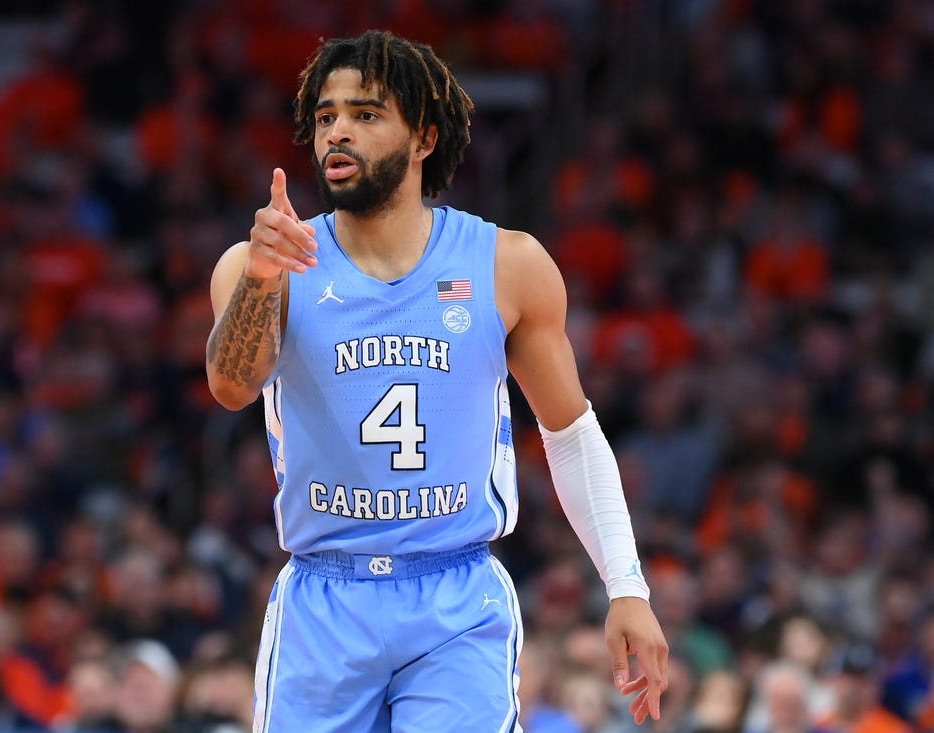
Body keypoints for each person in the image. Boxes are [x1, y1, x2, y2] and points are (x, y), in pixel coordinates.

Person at [206, 29, 668, 732]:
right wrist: (263, 280)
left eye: (365, 114)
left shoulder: (506, 264)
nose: (338, 131)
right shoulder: (260, 264)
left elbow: (570, 434)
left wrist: (627, 584)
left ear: (423, 137)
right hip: (325, 595)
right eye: (327, 116)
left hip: (456, 595)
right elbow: (231, 386)